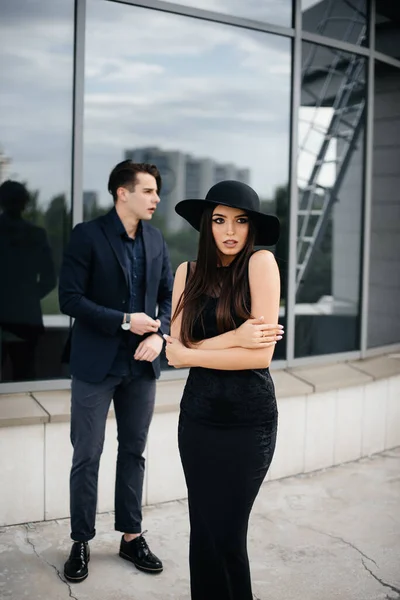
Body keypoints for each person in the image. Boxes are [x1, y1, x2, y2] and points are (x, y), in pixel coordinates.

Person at [164, 180, 282, 600]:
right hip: (197, 421)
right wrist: (236, 337)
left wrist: (198, 350)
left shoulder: (260, 264)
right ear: (206, 226)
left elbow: (259, 359)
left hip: (248, 424)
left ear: (252, 228)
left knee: (228, 536)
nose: (229, 230)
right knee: (203, 534)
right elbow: (174, 354)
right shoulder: (187, 273)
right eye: (219, 220)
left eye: (240, 221)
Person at [58, 160, 173, 583]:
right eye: (148, 191)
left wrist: (159, 335)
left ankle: (131, 537)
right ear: (122, 192)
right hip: (95, 364)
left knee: (134, 452)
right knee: (87, 455)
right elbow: (69, 299)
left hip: (142, 366)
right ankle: (81, 541)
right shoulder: (87, 235)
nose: (156, 199)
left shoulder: (158, 240)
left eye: (156, 191)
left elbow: (166, 297)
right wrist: (125, 321)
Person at [0, 180, 56, 381]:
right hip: (26, 318)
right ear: (25, 203)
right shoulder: (36, 235)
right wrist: (28, 297)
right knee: (25, 379)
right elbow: (49, 279)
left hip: (16, 316)